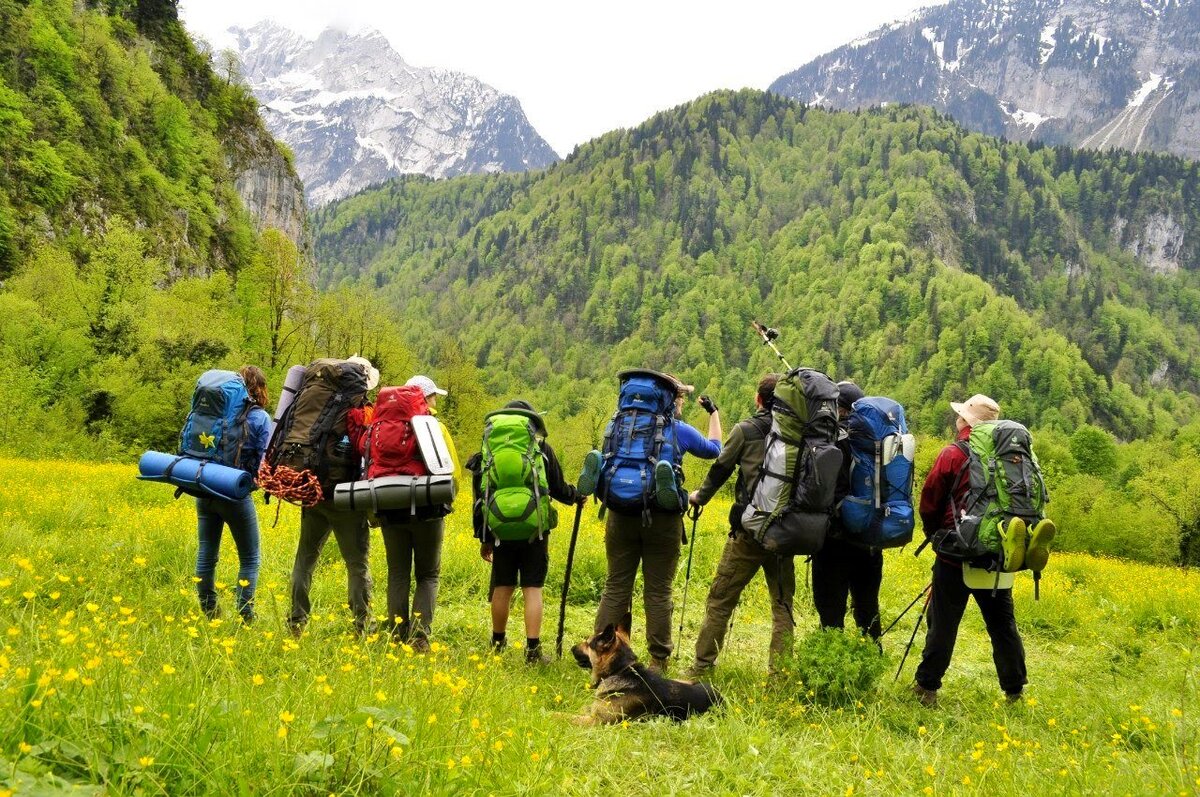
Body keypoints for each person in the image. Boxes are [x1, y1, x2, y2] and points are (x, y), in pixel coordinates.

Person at [589, 374, 722, 674]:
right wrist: (714, 414)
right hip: (662, 518)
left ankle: (601, 653)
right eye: (682, 399)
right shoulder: (678, 430)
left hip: (621, 511)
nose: (683, 403)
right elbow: (715, 450)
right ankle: (658, 660)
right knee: (658, 590)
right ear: (671, 400)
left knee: (616, 585)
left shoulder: (618, 427)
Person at [912, 394, 1026, 707]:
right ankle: (1014, 690)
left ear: (965, 421)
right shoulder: (1010, 455)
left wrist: (934, 533)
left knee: (944, 622)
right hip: (999, 551)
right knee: (1003, 624)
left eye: (960, 415)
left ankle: (927, 688)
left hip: (955, 553)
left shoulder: (953, 453)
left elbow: (930, 499)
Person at [686, 374, 795, 676]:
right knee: (782, 606)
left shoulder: (746, 430)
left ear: (759, 399)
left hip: (748, 533)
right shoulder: (799, 434)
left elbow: (720, 469)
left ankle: (702, 666)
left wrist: (700, 498)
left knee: (721, 599)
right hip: (786, 533)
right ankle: (780, 675)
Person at [467, 400, 583, 664]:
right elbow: (557, 488)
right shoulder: (540, 448)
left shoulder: (489, 450)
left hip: (498, 530)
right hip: (535, 531)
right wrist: (577, 497)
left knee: (502, 586)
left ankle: (497, 643)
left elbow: (480, 497)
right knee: (533, 588)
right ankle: (532, 650)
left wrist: (484, 537)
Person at [348, 374, 459, 652]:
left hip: (388, 507)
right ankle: (420, 638)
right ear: (424, 398)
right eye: (433, 396)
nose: (435, 401)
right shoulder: (434, 426)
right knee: (428, 575)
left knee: (398, 573)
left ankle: (397, 635)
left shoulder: (377, 427)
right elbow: (452, 470)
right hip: (427, 510)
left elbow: (366, 460)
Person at [287, 355, 379, 637]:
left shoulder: (319, 400)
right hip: (345, 495)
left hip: (312, 488)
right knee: (357, 563)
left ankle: (295, 623)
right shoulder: (360, 411)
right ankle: (363, 625)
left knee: (305, 559)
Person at [194, 365, 272, 623]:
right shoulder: (260, 418)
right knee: (250, 557)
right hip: (235, 493)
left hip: (204, 484)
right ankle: (245, 614)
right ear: (260, 388)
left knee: (207, 550)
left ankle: (209, 609)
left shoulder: (217, 413)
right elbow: (264, 458)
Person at [811, 380, 884, 641]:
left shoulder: (831, 439)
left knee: (830, 610)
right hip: (871, 539)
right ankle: (871, 663)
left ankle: (831, 665)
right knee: (867, 607)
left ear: (837, 408)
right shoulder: (879, 440)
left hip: (835, 540)